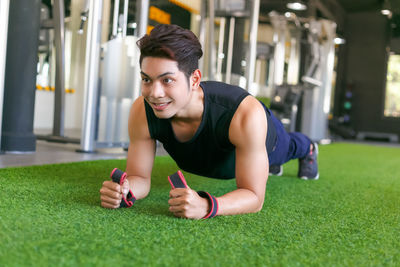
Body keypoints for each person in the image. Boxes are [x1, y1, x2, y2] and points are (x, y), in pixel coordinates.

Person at [99, 24, 319, 219]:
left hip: (265, 139)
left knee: (289, 147)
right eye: (146, 79)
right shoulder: (142, 110)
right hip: (222, 154)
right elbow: (140, 178)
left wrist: (207, 205)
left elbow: (254, 197)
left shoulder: (244, 114)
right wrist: (125, 191)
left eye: (167, 80)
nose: (154, 93)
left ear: (194, 79)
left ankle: (308, 147)